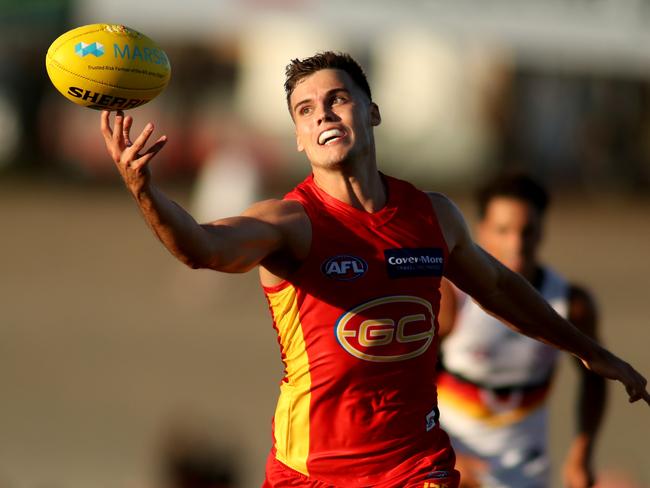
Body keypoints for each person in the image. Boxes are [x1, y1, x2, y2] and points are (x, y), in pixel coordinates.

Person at [99, 51, 649, 488]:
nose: (324, 115)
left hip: (414, 464)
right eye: (306, 110)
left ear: (373, 111)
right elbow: (202, 248)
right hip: (308, 470)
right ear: (298, 136)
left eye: (338, 99)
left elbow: (501, 288)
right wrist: (144, 191)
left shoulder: (432, 215)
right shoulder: (290, 222)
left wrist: (589, 350)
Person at [435, 173, 606, 488]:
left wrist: (582, 456)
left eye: (527, 231)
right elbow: (406, 382)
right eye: (503, 230)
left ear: (542, 231)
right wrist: (442, 452)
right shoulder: (450, 298)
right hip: (454, 468)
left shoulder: (570, 303)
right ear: (481, 230)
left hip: (525, 474)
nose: (517, 244)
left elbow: (594, 381)